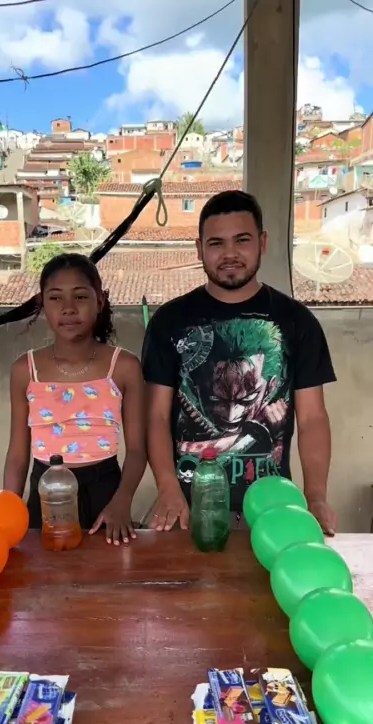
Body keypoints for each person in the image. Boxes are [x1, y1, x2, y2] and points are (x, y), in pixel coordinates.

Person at [142, 190, 337, 535]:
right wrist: (168, 487)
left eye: (242, 240)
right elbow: (156, 415)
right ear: (199, 248)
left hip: (272, 509)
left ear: (262, 242)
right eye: (216, 243)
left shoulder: (297, 322)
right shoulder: (169, 322)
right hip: (187, 510)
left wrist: (316, 496)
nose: (229, 253)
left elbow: (312, 418)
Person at [4, 252, 146, 545]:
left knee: (106, 570)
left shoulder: (124, 367)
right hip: (45, 494)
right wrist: (7, 514)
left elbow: (136, 450)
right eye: (55, 298)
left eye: (80, 297)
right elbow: (17, 456)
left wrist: (122, 501)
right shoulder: (24, 370)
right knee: (44, 570)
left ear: (100, 301)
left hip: (106, 493)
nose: (68, 308)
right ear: (42, 304)